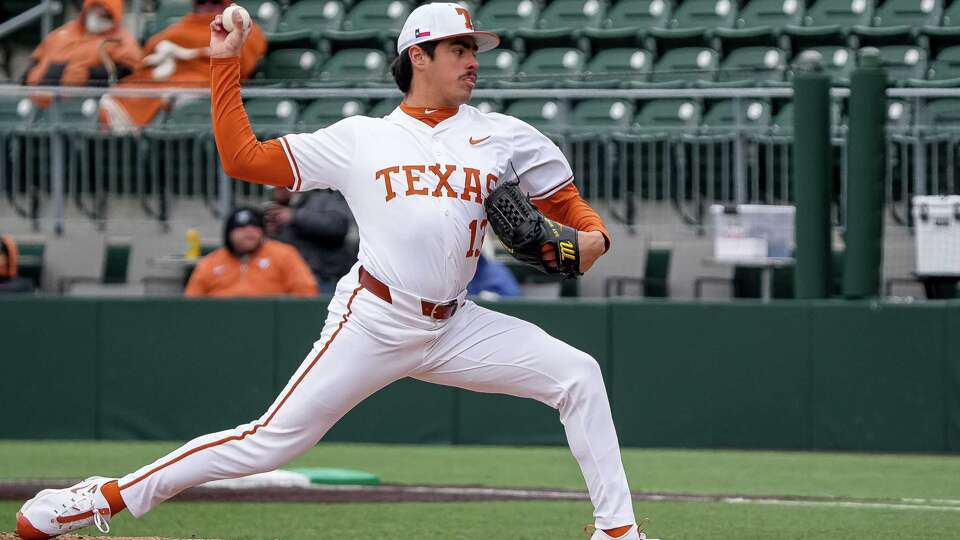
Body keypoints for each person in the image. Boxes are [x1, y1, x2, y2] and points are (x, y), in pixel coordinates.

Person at [14, 4, 645, 540]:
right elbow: (243, 158)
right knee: (268, 442)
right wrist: (223, 64)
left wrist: (593, 239)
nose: (473, 58)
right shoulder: (362, 138)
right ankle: (103, 498)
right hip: (374, 318)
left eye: (474, 48)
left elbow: (564, 202)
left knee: (578, 375)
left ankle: (618, 531)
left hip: (456, 325)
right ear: (417, 57)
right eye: (458, 47)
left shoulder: (504, 135)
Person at [99, 0, 266, 131]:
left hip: (199, 82)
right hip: (164, 77)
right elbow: (152, 50)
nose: (207, 7)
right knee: (116, 97)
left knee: (181, 98)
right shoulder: (179, 28)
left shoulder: (239, 31)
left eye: (214, 2)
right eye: (201, 2)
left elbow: (242, 61)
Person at [24, 0, 142, 104]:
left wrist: (90, 74)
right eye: (94, 9)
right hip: (35, 98)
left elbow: (127, 71)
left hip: (79, 103)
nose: (97, 16)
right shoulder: (64, 32)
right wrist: (25, 82)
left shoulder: (121, 39)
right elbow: (37, 57)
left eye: (104, 14)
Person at [184, 206, 318, 298]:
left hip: (271, 325)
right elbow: (191, 301)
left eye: (255, 226)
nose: (249, 231)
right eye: (241, 227)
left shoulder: (284, 254)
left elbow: (307, 293)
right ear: (229, 233)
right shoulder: (211, 262)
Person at [264, 187, 358, 293]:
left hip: (323, 279)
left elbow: (338, 225)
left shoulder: (323, 198)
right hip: (290, 280)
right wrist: (268, 231)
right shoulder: (278, 206)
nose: (275, 192)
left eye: (277, 188)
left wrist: (295, 217)